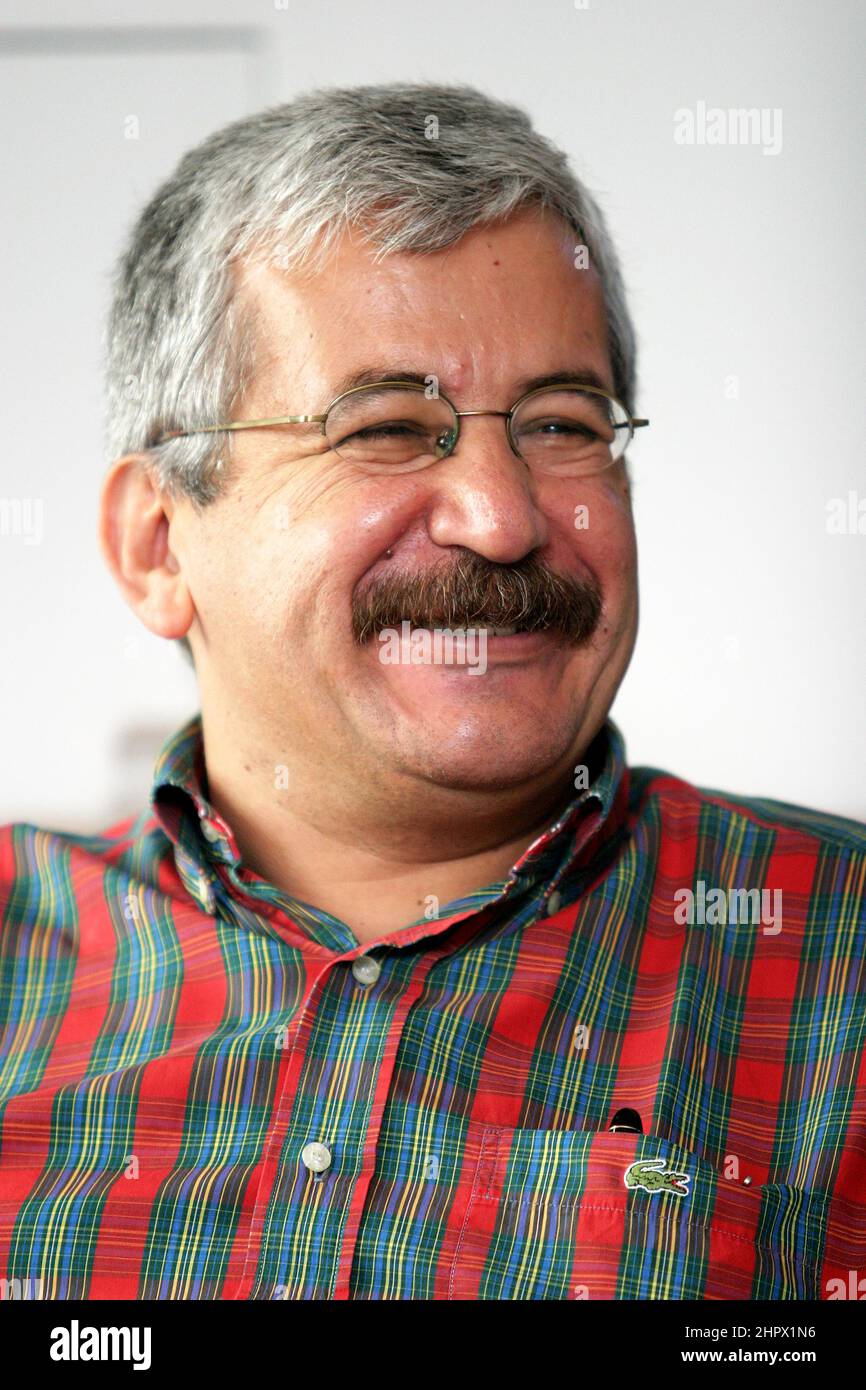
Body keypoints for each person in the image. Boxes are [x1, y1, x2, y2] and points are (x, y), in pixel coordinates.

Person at [0, 83, 863, 1302]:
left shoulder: (839, 958)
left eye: (564, 424)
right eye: (388, 427)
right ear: (158, 543)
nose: (503, 520)